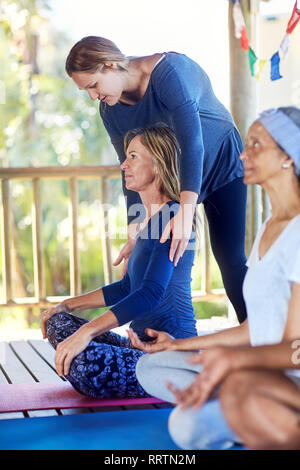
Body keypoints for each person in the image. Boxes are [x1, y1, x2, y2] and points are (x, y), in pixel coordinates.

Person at [132, 107, 300, 449]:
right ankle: (246, 408)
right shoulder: (269, 228)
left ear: (287, 155)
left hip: (288, 377)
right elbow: (256, 328)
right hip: (260, 372)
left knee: (208, 410)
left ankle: (245, 402)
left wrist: (232, 361)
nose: (242, 154)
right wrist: (177, 344)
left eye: (256, 145)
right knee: (154, 368)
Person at [65, 36, 248, 323]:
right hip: (176, 178)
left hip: (221, 163)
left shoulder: (170, 73)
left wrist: (187, 211)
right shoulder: (110, 111)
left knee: (230, 259)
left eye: (93, 86)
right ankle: (168, 335)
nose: (92, 96)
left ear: (110, 65)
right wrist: (135, 229)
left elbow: (192, 143)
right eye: (85, 90)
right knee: (153, 261)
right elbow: (129, 170)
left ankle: (261, 339)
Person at [41, 124, 197, 399]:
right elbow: (127, 287)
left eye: (133, 156)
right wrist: (67, 304)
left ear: (158, 164)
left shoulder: (173, 218)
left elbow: (150, 293)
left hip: (171, 359)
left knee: (87, 363)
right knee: (59, 322)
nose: (124, 165)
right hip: (138, 349)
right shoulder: (148, 220)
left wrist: (87, 332)